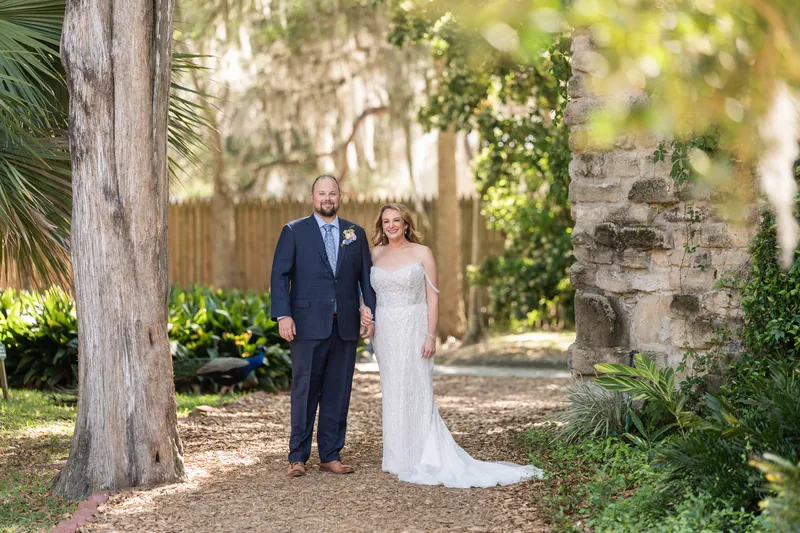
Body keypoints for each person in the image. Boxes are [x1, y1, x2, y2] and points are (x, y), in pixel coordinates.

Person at [360, 203, 542, 488]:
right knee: (392, 388)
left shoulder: (422, 253)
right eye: (386, 221)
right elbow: (365, 293)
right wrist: (364, 313)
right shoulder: (373, 254)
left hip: (414, 324)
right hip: (385, 330)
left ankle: (423, 454)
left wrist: (430, 336)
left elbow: (433, 298)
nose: (392, 225)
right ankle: (397, 458)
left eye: (397, 220)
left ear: (407, 224)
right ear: (381, 225)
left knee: (417, 387)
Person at [270, 175, 376, 478]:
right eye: (321, 193)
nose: (327, 198)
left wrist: (370, 312)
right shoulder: (294, 231)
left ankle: (330, 454)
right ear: (312, 197)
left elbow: (365, 279)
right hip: (305, 326)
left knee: (338, 391)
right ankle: (297, 457)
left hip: (344, 326)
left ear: (340, 197)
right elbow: (280, 276)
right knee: (305, 390)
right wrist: (283, 315)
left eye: (332, 193)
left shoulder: (355, 233)